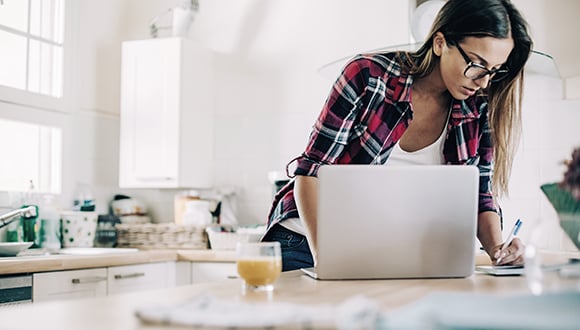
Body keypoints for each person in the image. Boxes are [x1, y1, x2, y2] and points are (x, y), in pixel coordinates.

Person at [262, 0, 533, 271]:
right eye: (476, 64)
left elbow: (479, 195)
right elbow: (310, 172)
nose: (483, 81)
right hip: (306, 242)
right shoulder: (368, 77)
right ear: (440, 43)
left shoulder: (478, 107)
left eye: (495, 70)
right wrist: (326, 259)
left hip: (385, 250)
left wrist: (499, 250)